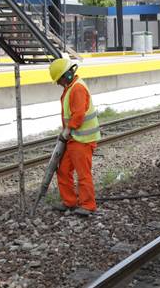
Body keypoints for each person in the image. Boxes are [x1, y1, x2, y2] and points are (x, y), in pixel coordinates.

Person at [49, 58, 101, 216]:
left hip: (82, 140)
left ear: (67, 75)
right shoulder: (71, 87)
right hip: (73, 139)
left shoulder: (77, 88)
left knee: (83, 173)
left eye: (59, 80)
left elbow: (78, 115)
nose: (58, 83)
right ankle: (69, 202)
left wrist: (68, 129)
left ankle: (88, 205)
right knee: (63, 170)